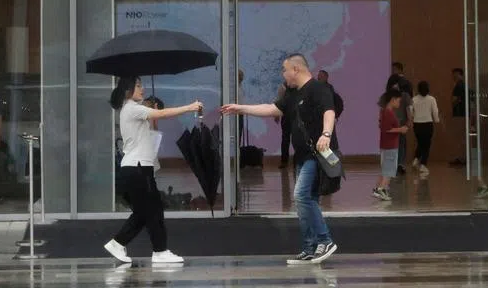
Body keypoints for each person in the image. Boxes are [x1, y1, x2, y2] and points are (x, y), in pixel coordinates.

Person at [222, 53, 339, 266]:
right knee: (307, 200)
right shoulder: (293, 93)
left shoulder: (318, 89)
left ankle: (325, 240)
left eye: (284, 70)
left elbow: (329, 113)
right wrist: (240, 108)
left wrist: (326, 134)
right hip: (302, 155)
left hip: (316, 155)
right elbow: (271, 109)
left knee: (301, 196)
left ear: (296, 69)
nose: (283, 74)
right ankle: (310, 248)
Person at [103, 76, 202, 266]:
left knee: (146, 211)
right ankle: (159, 251)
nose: (142, 89)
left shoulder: (132, 109)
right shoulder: (132, 108)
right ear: (128, 90)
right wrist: (190, 107)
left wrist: (153, 115)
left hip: (139, 168)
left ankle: (120, 243)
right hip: (138, 168)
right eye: (138, 85)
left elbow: (152, 128)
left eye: (141, 85)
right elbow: (163, 114)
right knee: (152, 211)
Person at [373, 88, 406, 201]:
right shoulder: (388, 112)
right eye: (398, 101)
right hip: (390, 145)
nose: (399, 103)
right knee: (389, 170)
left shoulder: (384, 111)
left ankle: (378, 188)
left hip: (386, 144)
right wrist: (400, 129)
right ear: (393, 99)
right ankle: (382, 189)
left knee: (385, 168)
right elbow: (386, 129)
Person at [385, 62, 413, 174]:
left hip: (397, 121)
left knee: (397, 142)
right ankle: (399, 163)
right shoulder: (404, 94)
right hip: (399, 121)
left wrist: (409, 119)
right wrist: (409, 119)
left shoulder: (395, 95)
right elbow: (408, 107)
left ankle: (397, 163)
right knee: (400, 142)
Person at [410, 80, 440, 177]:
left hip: (417, 124)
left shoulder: (414, 99)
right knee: (426, 145)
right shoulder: (431, 99)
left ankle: (416, 159)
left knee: (420, 143)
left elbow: (411, 112)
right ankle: (423, 164)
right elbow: (435, 111)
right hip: (428, 124)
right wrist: (437, 120)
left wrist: (413, 118)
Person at [276, 80, 292, 169]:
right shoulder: (282, 87)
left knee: (297, 140)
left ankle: (298, 161)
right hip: (286, 116)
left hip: (296, 117)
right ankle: (284, 161)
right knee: (285, 139)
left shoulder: (298, 85)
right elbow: (279, 101)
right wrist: (276, 114)